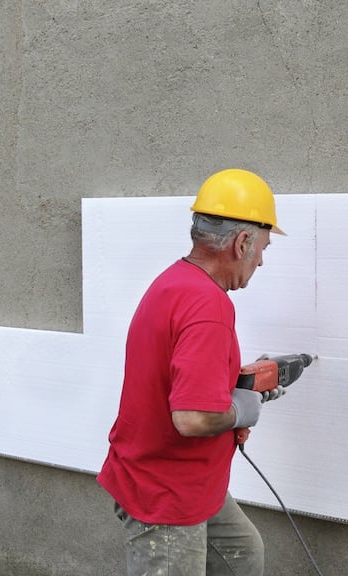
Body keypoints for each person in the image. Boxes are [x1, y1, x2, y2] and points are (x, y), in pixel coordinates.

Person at [97, 168, 285, 576]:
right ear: (242, 242)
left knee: (243, 555)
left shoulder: (176, 282)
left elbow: (179, 372)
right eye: (263, 248)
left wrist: (235, 386)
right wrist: (240, 411)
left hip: (191, 481)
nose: (262, 261)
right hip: (167, 492)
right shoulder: (208, 307)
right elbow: (192, 417)